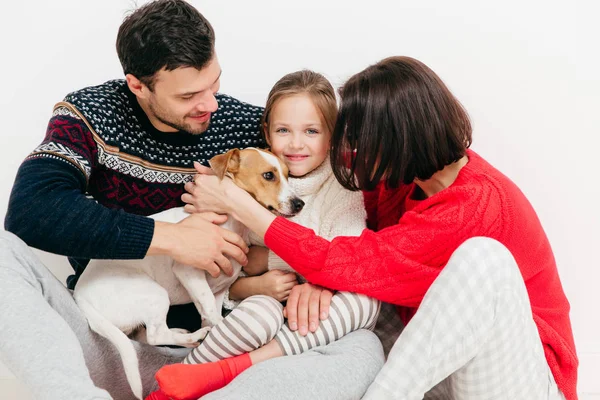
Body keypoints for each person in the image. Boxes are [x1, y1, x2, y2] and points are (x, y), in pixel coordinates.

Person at [0, 1, 383, 399]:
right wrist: (174, 238)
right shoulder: (90, 114)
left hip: (227, 344)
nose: (211, 105)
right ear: (138, 85)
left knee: (363, 348)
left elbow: (327, 165)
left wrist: (326, 278)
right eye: (189, 96)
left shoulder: (246, 127)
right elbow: (30, 210)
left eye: (214, 84)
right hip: (111, 338)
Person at [183, 56, 579, 400]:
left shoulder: (476, 204)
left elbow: (349, 258)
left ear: (398, 138)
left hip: (520, 379)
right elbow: (344, 249)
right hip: (444, 367)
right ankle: (222, 376)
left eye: (358, 138)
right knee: (357, 333)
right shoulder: (402, 181)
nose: (349, 150)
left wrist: (237, 203)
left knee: (483, 259)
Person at [146, 70, 381, 400]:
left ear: (332, 137)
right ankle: (181, 379)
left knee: (366, 301)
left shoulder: (343, 186)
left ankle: (230, 370)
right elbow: (228, 275)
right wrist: (256, 284)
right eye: (284, 130)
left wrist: (302, 274)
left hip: (321, 308)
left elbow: (347, 259)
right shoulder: (254, 179)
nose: (296, 144)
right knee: (260, 313)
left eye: (311, 131)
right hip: (268, 305)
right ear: (267, 132)